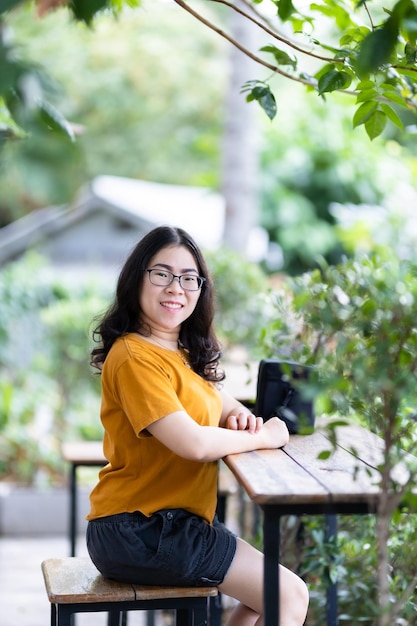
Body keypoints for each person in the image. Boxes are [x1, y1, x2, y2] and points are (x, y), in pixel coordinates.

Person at [86, 225, 309, 626]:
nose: (176, 288)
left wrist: (240, 417)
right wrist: (265, 435)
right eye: (162, 274)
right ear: (137, 278)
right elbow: (191, 443)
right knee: (290, 595)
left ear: (200, 289)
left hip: (164, 524)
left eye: (189, 278)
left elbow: (224, 407)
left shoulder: (182, 356)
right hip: (141, 529)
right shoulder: (135, 356)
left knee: (270, 597)